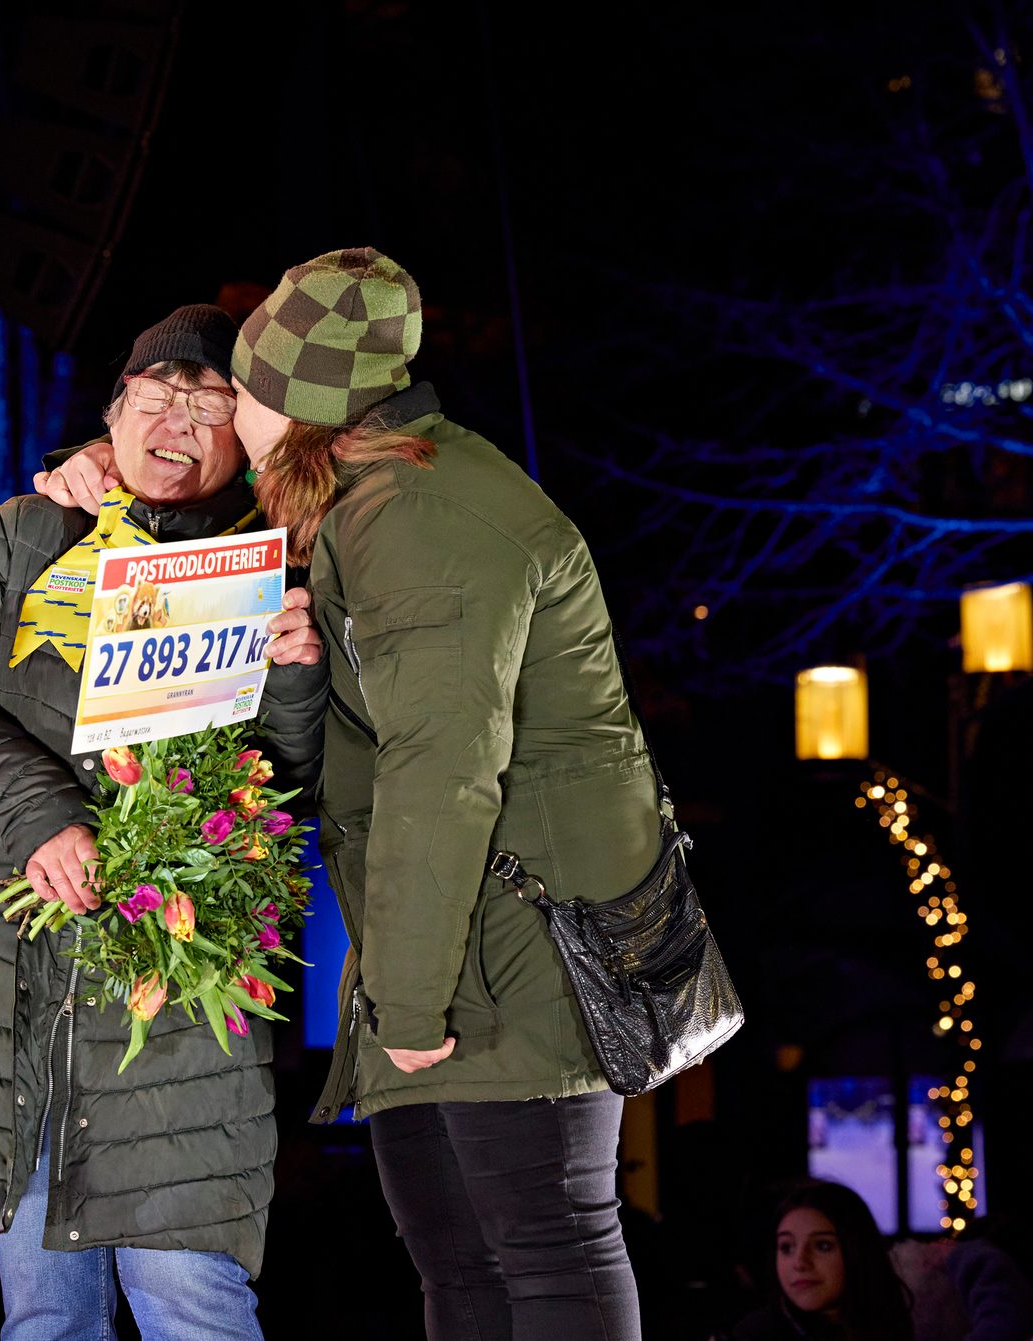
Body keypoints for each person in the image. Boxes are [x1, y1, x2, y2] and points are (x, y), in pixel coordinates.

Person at [234, 247, 657, 1340]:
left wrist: (412, 998)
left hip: (517, 938)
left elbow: (443, 764)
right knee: (460, 1264)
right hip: (454, 939)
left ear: (298, 406)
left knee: (548, 1250)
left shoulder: (419, 515)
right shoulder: (368, 502)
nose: (231, 419)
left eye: (241, 392)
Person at [0, 304, 327, 1340]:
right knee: (45, 1319)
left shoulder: (264, 570)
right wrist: (42, 821)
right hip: (10, 983)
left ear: (246, 435)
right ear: (112, 413)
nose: (175, 420)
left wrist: (298, 680)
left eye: (209, 403)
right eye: (154, 396)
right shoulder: (27, 535)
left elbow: (288, 792)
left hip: (173, 1007)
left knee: (194, 1305)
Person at [725, 1181, 914, 1341]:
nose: (799, 1262)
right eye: (786, 1247)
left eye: (822, 1246)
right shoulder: (755, 1333)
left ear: (856, 1251)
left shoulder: (888, 1324)